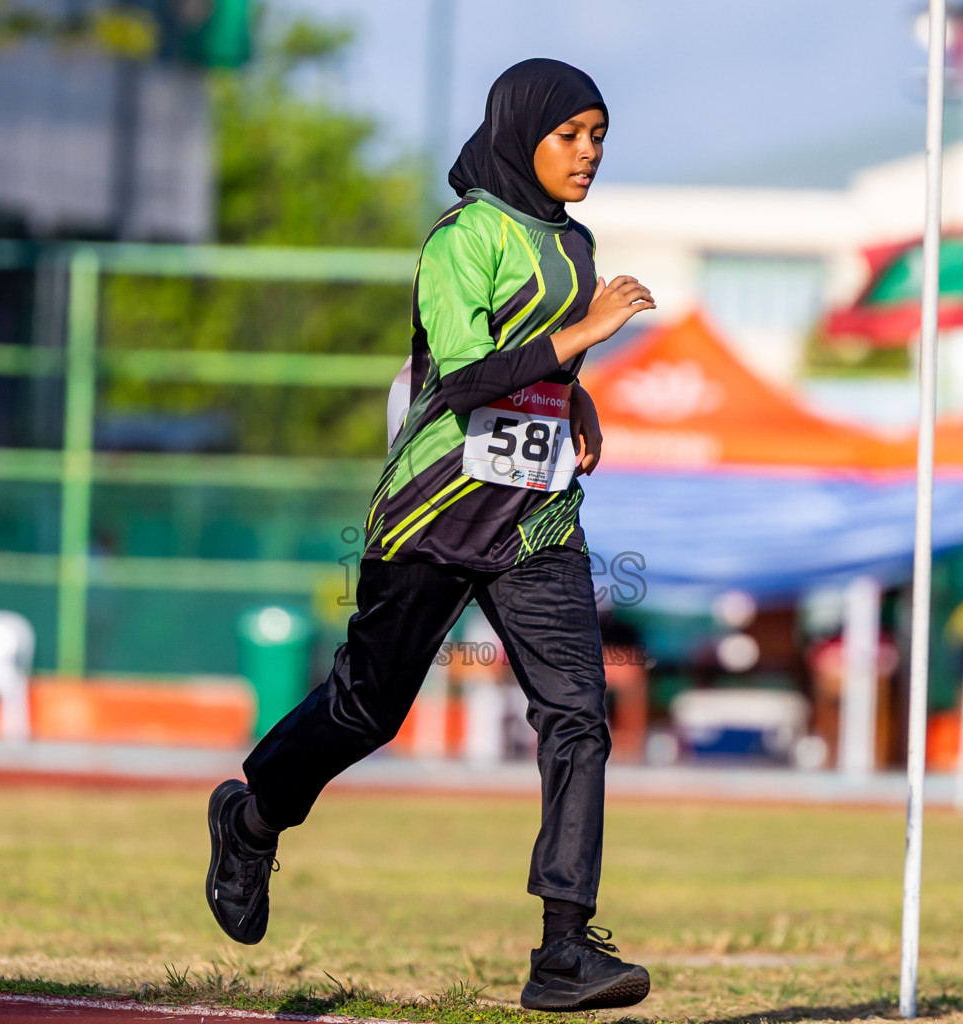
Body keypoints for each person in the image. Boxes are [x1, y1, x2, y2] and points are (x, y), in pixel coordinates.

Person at [204, 58, 656, 1012]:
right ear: (520, 130)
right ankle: (251, 818)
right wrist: (583, 344)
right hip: (435, 514)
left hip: (537, 518)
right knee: (367, 711)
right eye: (571, 134)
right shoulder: (462, 238)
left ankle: (564, 949)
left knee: (577, 715)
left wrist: (578, 400)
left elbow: (538, 366)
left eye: (599, 137)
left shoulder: (571, 242)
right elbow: (464, 377)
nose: (589, 154)